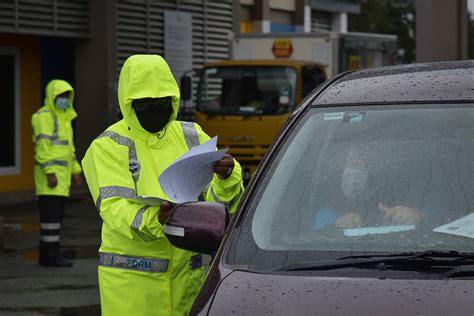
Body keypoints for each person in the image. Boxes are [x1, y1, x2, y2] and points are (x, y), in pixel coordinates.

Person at [81, 54, 244, 316]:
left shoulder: (190, 134)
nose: (156, 108)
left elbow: (217, 204)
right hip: (133, 289)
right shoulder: (108, 146)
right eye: (146, 103)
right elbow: (114, 209)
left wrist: (226, 177)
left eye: (163, 101)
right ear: (128, 102)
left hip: (187, 283)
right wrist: (157, 219)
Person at [31, 79, 82, 267]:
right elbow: (42, 148)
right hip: (50, 180)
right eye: (61, 96)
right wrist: (50, 172)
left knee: (55, 221)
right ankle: (49, 256)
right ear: (52, 96)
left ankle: (50, 254)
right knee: (50, 221)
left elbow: (69, 150)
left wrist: (76, 170)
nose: (65, 99)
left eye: (67, 96)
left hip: (61, 180)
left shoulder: (64, 117)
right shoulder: (43, 116)